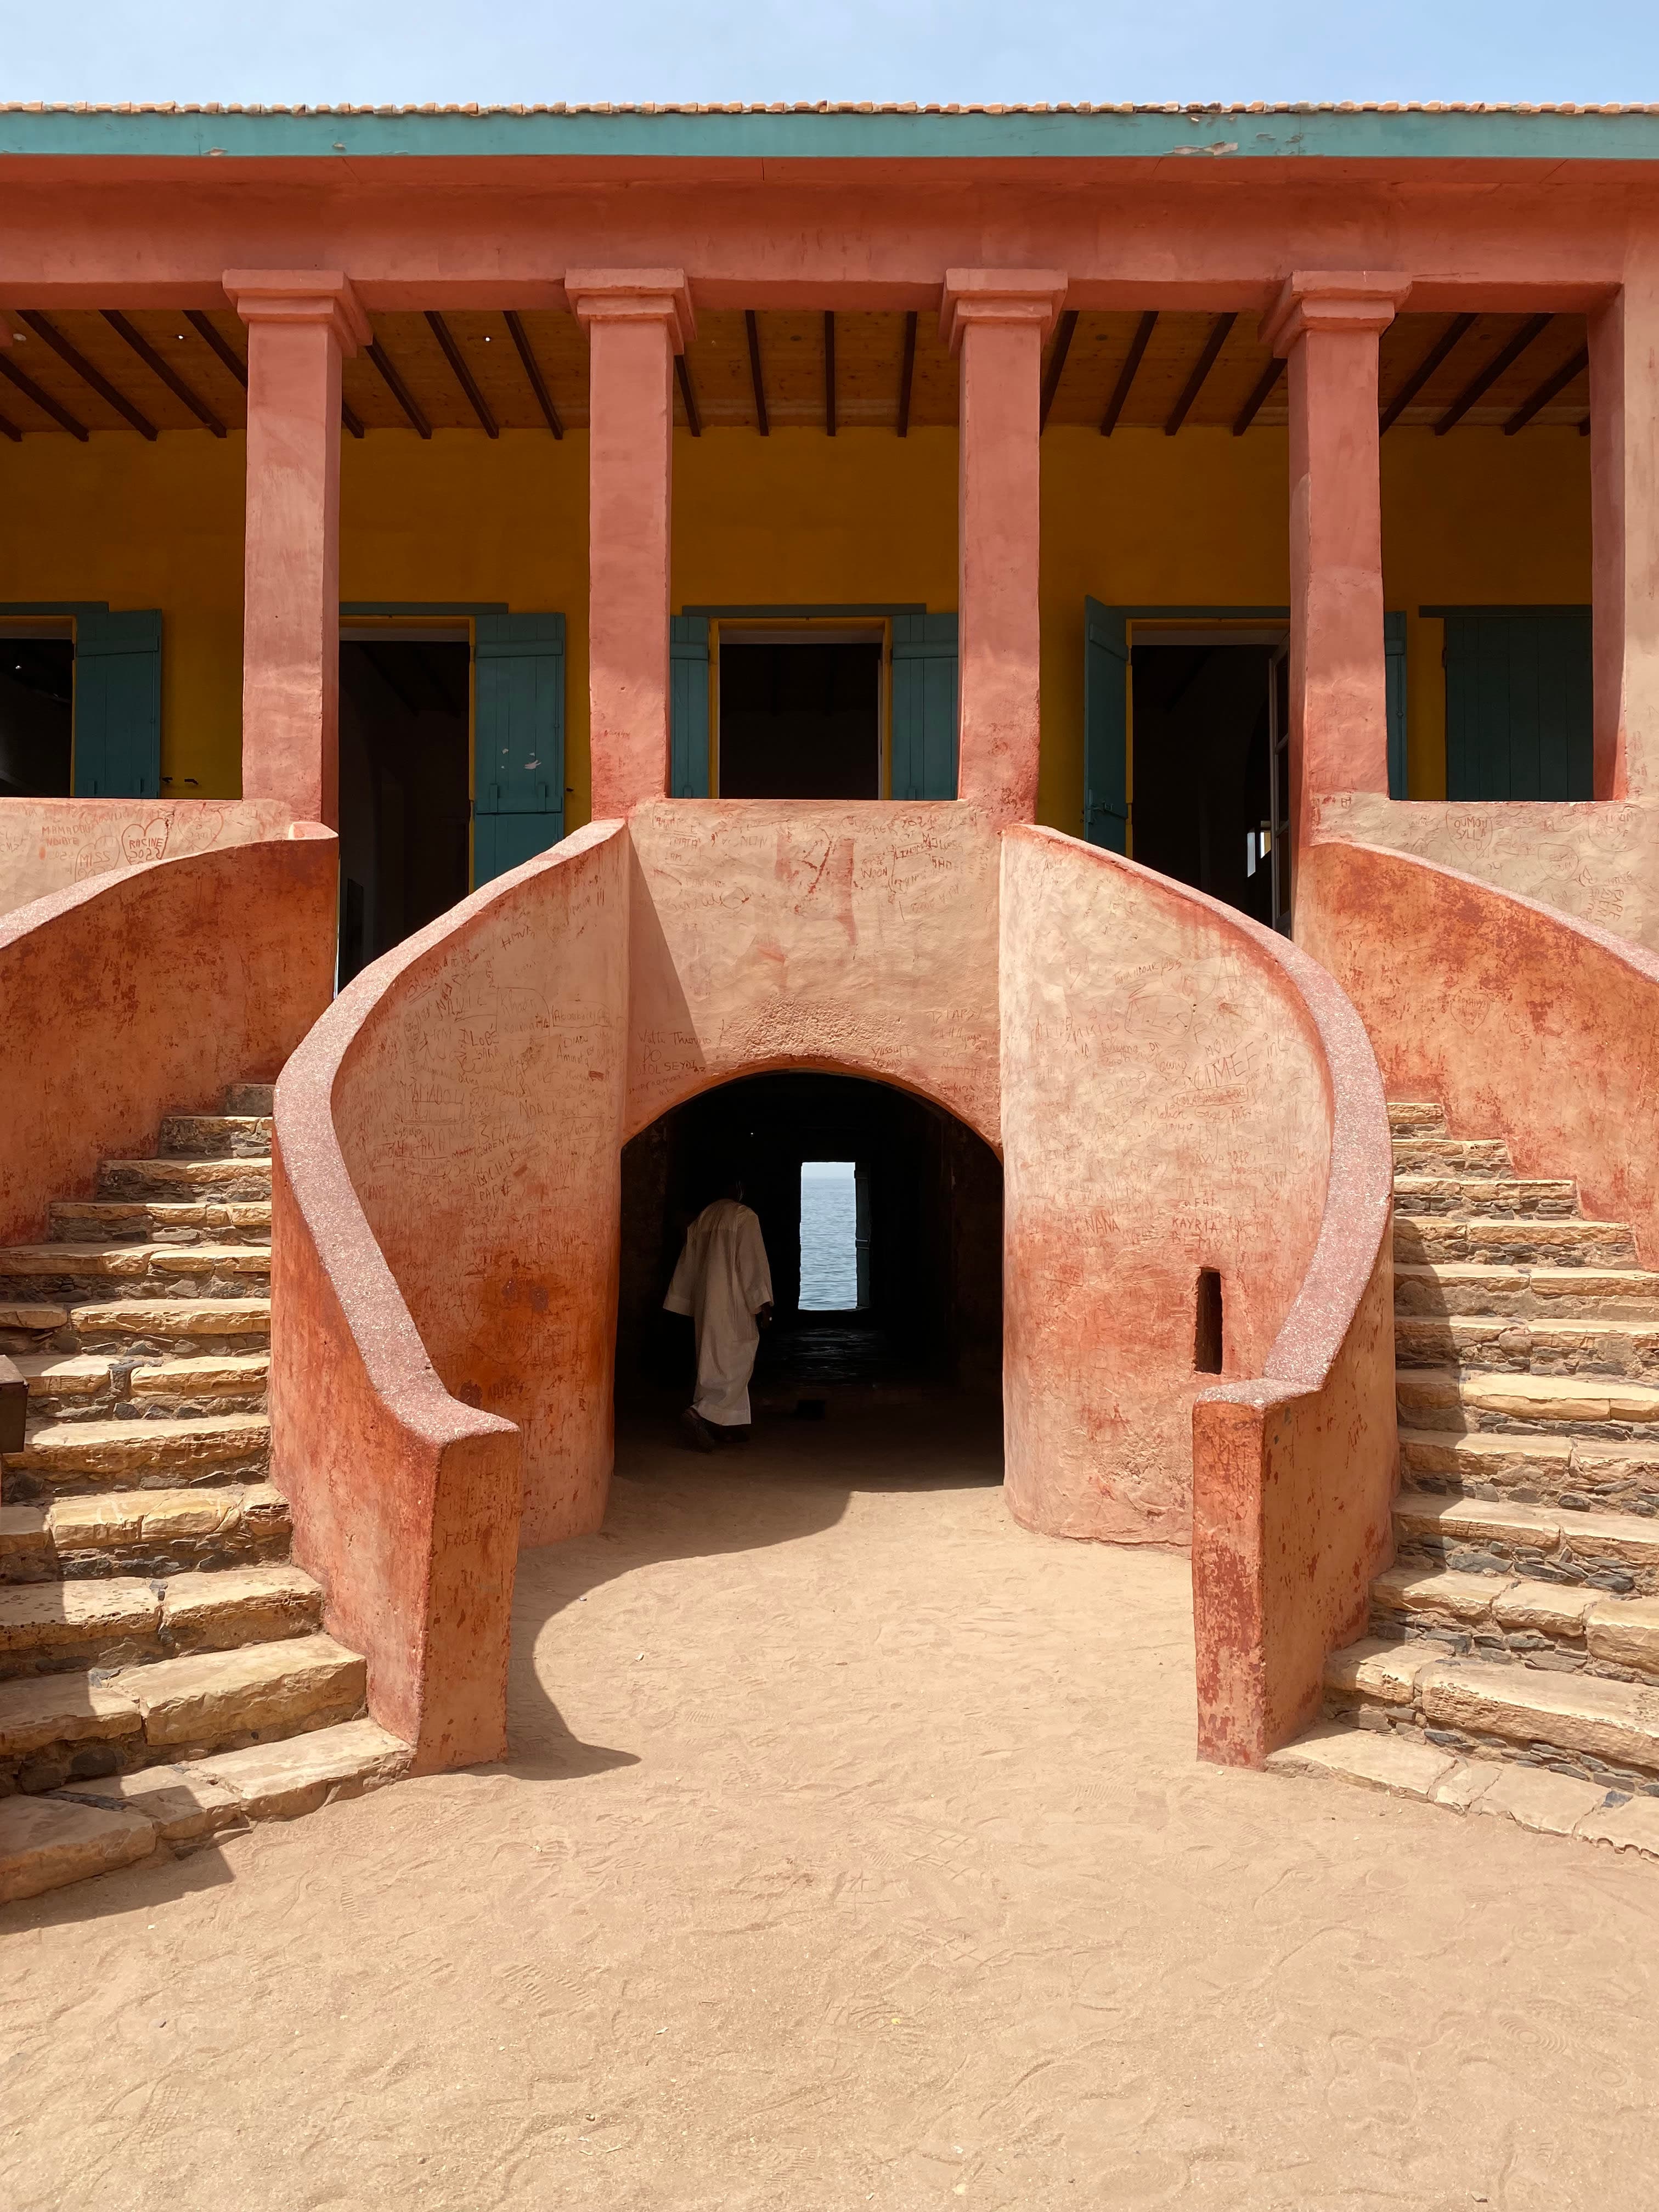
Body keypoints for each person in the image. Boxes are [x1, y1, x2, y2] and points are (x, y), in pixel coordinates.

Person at [664, 1175, 774, 1452]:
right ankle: (700, 1413)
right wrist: (763, 1304)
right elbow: (752, 1262)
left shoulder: (705, 1217)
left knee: (711, 1358)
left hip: (707, 1302)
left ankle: (724, 1425)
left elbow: (688, 1262)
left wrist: (683, 1300)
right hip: (733, 1301)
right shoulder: (743, 1216)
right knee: (736, 1359)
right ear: (738, 1188)